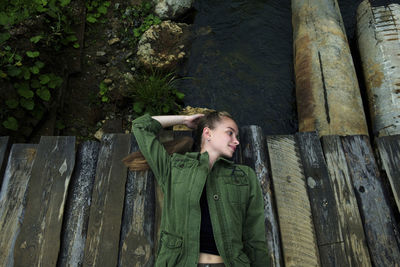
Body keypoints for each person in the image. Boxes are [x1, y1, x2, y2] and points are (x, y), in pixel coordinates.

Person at [131, 111, 270, 267]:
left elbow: (255, 238)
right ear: (207, 133)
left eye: (236, 136)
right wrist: (184, 119)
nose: (236, 141)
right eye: (230, 133)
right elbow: (140, 126)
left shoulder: (245, 176)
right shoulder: (174, 168)